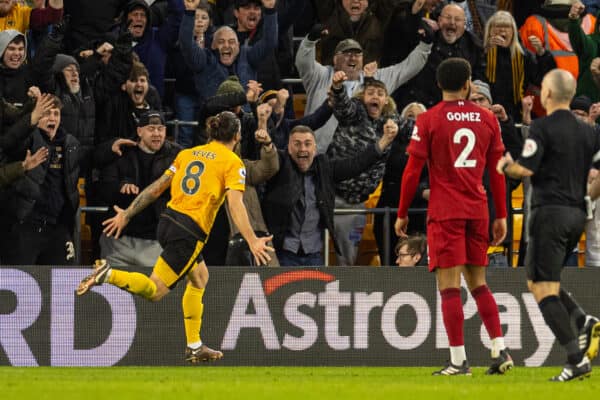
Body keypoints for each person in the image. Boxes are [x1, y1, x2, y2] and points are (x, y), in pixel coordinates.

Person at [76, 111, 273, 364]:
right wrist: (252, 240)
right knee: (154, 290)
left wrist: (127, 213)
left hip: (168, 222)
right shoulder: (233, 162)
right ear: (237, 135)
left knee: (200, 277)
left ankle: (194, 346)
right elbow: (236, 205)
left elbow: (157, 188)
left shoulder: (187, 154)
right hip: (188, 232)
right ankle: (108, 274)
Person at [395, 58, 513, 376]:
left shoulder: (429, 120)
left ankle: (459, 361)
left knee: (449, 287)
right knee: (478, 283)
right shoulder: (488, 118)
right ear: (468, 84)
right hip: (478, 211)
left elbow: (411, 172)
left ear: (438, 84)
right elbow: (498, 171)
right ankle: (500, 349)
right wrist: (500, 215)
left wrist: (403, 212)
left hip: (446, 212)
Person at [498, 68, 600, 381]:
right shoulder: (590, 131)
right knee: (542, 281)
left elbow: (526, 169)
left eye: (543, 88)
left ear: (550, 94)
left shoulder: (542, 128)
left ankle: (575, 359)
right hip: (577, 215)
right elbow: (596, 171)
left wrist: (505, 165)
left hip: (550, 213)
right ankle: (582, 320)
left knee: (542, 288)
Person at [262, 124, 398, 267]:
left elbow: (356, 164)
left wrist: (384, 141)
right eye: (297, 144)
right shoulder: (279, 164)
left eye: (307, 144)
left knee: (313, 290)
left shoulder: (324, 167)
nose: (302, 149)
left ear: (314, 148)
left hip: (313, 254)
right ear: (288, 148)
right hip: (282, 253)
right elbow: (268, 156)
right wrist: (266, 139)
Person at [0, 95, 82, 265]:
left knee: (65, 282)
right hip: (27, 225)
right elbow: (8, 143)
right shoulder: (28, 141)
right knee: (21, 283)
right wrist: (30, 120)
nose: (52, 118)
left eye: (56, 113)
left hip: (58, 226)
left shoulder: (71, 144)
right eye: (46, 113)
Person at [98, 110, 181, 267]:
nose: (156, 134)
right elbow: (103, 188)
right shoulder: (122, 151)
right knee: (112, 288)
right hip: (120, 241)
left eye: (160, 129)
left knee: (154, 290)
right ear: (139, 131)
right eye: (151, 129)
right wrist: (119, 187)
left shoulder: (178, 156)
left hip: (157, 242)